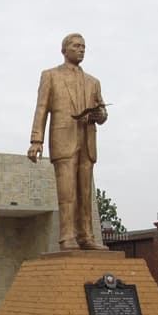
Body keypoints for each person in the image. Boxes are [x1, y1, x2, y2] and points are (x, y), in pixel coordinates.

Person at [27, 33, 109, 251]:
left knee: (85, 193)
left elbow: (102, 113)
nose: (81, 49)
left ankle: (87, 237)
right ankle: (67, 237)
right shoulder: (50, 76)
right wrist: (36, 140)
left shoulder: (94, 82)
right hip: (64, 139)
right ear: (64, 50)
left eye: (84, 46)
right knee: (67, 193)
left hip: (87, 140)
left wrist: (97, 115)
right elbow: (41, 109)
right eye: (76, 46)